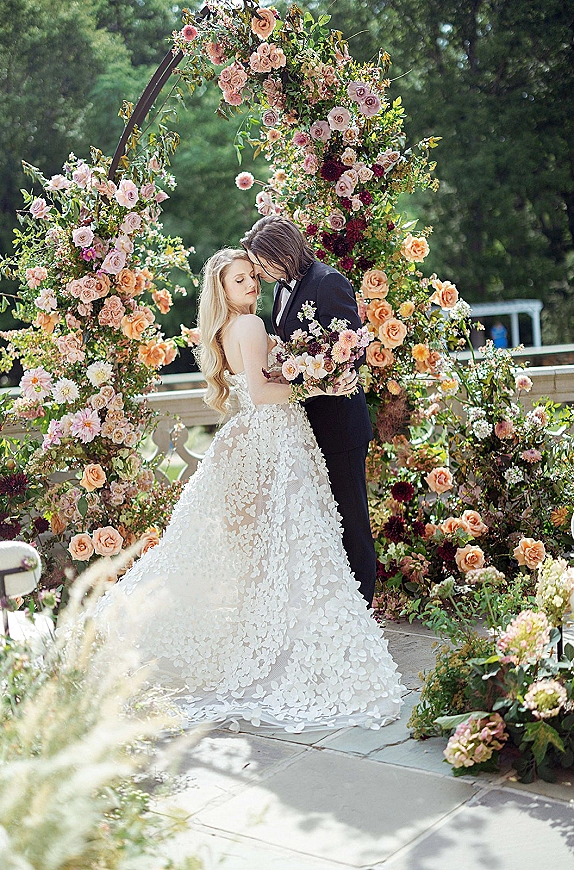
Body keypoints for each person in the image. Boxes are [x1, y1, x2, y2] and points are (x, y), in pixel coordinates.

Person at [95, 247, 403, 732]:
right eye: (241, 281)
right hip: (275, 435)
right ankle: (286, 638)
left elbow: (248, 388)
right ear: (223, 288)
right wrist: (315, 381)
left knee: (274, 548)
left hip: (255, 436)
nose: (252, 286)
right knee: (294, 540)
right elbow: (262, 393)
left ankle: (269, 634)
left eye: (253, 278)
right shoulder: (252, 326)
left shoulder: (221, 330)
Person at [241, 215, 377, 607]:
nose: (261, 273)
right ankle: (339, 610)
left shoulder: (327, 282)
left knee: (352, 525)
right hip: (304, 429)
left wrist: (318, 375)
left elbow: (353, 349)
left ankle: (363, 613)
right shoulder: (282, 291)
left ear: (283, 252)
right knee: (324, 525)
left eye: (264, 263)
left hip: (340, 427)